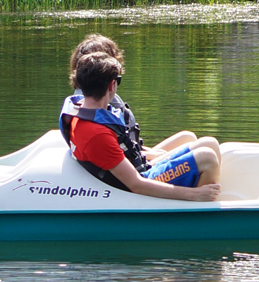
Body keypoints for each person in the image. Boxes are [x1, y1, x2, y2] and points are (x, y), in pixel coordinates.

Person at [65, 52, 221, 202]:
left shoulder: (80, 110)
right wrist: (194, 194)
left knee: (209, 143)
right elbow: (136, 185)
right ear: (112, 85)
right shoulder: (97, 134)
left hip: (136, 169)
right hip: (140, 182)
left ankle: (209, 198)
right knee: (207, 159)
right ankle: (200, 216)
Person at [62, 34, 196, 161]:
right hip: (128, 164)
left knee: (188, 138)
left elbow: (122, 141)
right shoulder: (93, 102)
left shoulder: (101, 96)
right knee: (201, 148)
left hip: (132, 153)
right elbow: (110, 148)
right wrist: (151, 156)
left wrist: (148, 152)